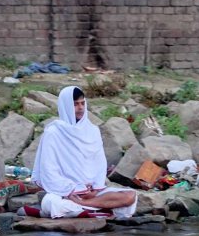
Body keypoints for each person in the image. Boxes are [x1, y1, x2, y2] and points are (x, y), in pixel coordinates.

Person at [31, 86, 138, 219]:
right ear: (65, 106)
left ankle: (84, 205)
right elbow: (49, 170)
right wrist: (72, 189)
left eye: (82, 103)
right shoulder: (53, 132)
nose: (80, 108)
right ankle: (97, 209)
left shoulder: (92, 131)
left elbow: (99, 164)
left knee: (130, 196)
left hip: (91, 193)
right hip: (65, 192)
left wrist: (94, 189)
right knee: (51, 202)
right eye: (75, 104)